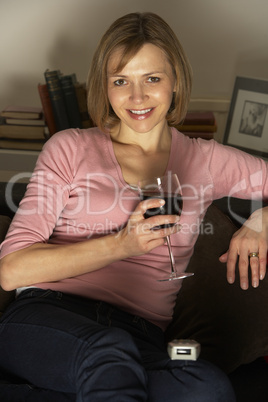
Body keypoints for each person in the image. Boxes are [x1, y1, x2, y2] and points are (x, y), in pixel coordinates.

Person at [0, 11, 267, 401]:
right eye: (121, 81)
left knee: (205, 386)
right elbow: (11, 271)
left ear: (175, 79)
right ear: (104, 87)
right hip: (46, 318)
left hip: (139, 336)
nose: (136, 98)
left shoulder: (207, 161)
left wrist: (263, 219)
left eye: (152, 79)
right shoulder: (71, 148)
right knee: (108, 355)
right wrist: (120, 245)